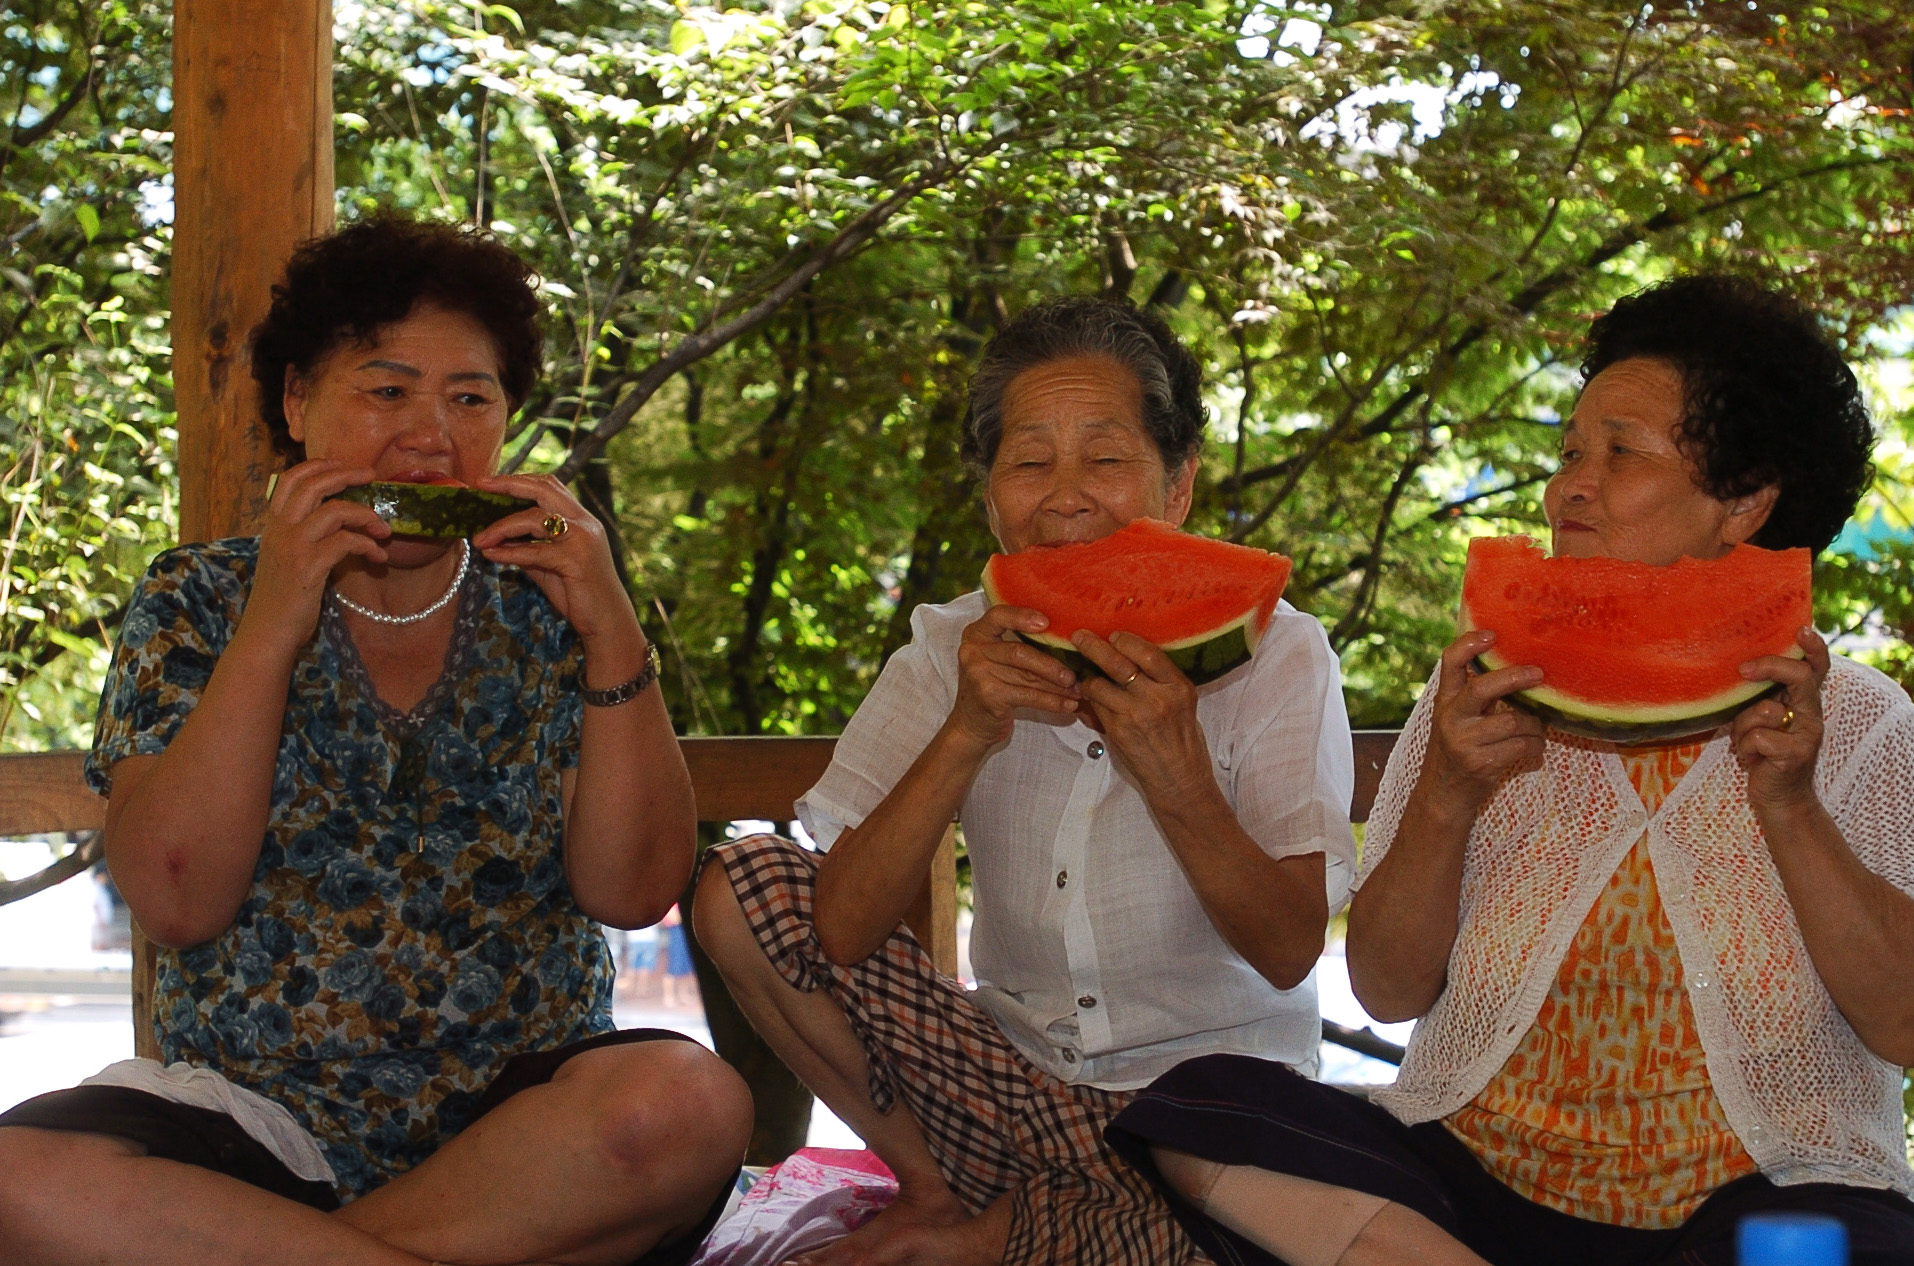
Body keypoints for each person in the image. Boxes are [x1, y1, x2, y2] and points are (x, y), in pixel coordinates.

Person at [1107, 275, 1914, 1266]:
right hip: (1473, 1187)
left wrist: (1788, 806)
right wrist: (1448, 793)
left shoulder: (1861, 724)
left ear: (1743, 504)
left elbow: (1904, 1025)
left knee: (1827, 1250)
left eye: (1620, 453)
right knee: (1195, 1112)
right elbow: (1390, 986)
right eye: (1572, 449)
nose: (1569, 484)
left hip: (1753, 1201)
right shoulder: (1486, 693)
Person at [0, 216, 752, 1266]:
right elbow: (174, 898)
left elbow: (633, 891)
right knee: (15, 1182)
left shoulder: (549, 606)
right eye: (387, 390)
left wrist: (611, 627)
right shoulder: (198, 598)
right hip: (250, 1127)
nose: (430, 434)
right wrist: (273, 619)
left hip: (524, 1130)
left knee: (692, 1101)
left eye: (471, 398)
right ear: (299, 403)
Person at [695, 296, 1357, 1265]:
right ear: (992, 494)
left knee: (1239, 1234)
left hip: (1214, 1122)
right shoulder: (942, 648)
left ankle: (1011, 1235)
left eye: (1106, 457)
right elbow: (836, 929)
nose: (1067, 495)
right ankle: (935, 1196)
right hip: (1007, 1089)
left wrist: (1177, 777)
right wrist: (965, 730)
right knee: (737, 887)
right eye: (1030, 461)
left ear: (1177, 487)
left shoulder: (1281, 654)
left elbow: (1293, 948)